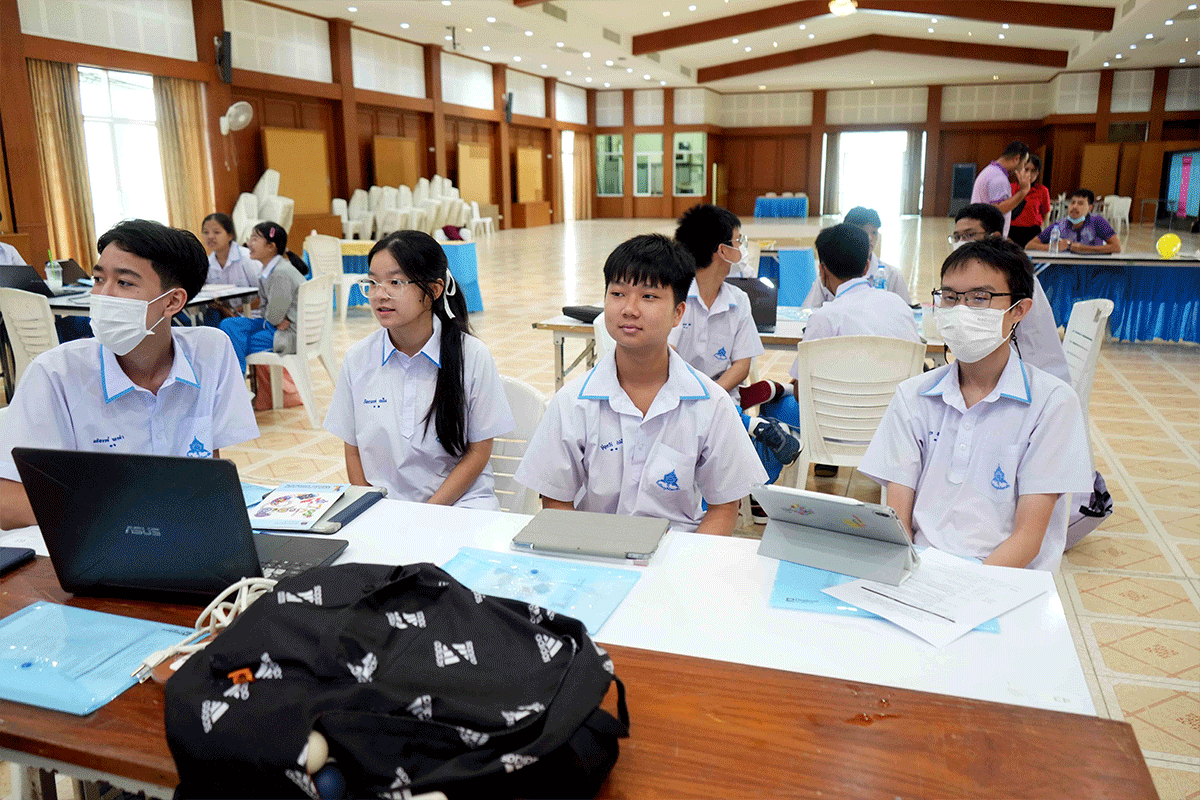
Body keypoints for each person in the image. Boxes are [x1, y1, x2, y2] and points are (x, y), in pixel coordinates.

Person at [0, 219, 259, 530]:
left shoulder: (210, 352)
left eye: (124, 283)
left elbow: (209, 469)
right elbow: (7, 503)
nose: (104, 295)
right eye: (98, 279)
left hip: (185, 535)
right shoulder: (55, 373)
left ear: (172, 301)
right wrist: (123, 512)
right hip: (96, 542)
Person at [859, 240, 1093, 570]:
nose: (961, 311)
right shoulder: (914, 396)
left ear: (1019, 310)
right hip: (922, 570)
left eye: (979, 298)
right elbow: (899, 521)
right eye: (950, 297)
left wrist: (966, 590)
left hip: (1007, 579)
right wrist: (910, 576)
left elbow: (1027, 539)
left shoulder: (1052, 403)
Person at [514, 233, 768, 536]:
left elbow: (724, 507)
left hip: (678, 551)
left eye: (648, 296)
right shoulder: (571, 402)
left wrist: (686, 561)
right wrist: (596, 554)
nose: (629, 309)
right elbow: (555, 500)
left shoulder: (711, 404)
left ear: (678, 313)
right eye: (618, 293)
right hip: (593, 548)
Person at [324, 231, 514, 509]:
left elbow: (478, 452)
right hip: (385, 509)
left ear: (434, 290)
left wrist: (426, 514)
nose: (380, 295)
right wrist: (369, 507)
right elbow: (352, 450)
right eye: (373, 283)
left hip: (460, 506)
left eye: (395, 282)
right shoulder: (358, 359)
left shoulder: (472, 356)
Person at [671, 204, 799, 471]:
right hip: (676, 397)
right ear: (722, 251)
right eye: (738, 241)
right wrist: (696, 397)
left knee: (763, 456)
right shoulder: (674, 296)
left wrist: (711, 395)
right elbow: (665, 360)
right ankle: (752, 427)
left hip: (722, 398)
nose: (742, 247)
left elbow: (742, 365)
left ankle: (751, 431)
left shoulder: (738, 300)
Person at [951, 203, 1070, 385]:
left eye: (969, 235)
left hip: (1031, 378)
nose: (961, 243)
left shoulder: (1011, 279)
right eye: (957, 237)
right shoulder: (977, 277)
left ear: (995, 237)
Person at [219, 221, 307, 374]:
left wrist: (275, 318)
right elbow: (269, 314)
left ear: (271, 247)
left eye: (254, 239)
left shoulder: (280, 274)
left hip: (286, 335)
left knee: (232, 342)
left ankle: (237, 380)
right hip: (274, 326)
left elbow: (273, 317)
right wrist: (275, 318)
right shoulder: (269, 271)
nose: (248, 243)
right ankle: (238, 378)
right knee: (228, 324)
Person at [801, 207, 912, 308]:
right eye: (863, 232)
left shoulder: (892, 275)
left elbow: (908, 312)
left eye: (874, 232)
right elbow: (808, 311)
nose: (870, 238)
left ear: (866, 267)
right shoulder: (829, 272)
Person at [201, 212, 261, 324]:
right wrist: (225, 310)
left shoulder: (247, 258)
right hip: (227, 316)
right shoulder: (207, 263)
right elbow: (209, 298)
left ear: (230, 235)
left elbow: (264, 295)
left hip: (255, 315)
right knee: (210, 316)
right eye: (206, 232)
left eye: (217, 232)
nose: (210, 237)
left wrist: (237, 311)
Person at [1027, 189, 1122, 254]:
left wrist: (1084, 249)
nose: (1074, 207)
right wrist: (1054, 247)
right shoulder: (1060, 225)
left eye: (1080, 203)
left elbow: (1116, 247)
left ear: (1090, 208)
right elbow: (1030, 245)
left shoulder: (1097, 221)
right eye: (1072, 203)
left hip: (1092, 269)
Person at [970, 141, 1031, 238]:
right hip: (988, 236)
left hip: (981, 232)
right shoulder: (999, 178)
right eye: (1023, 164)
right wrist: (1023, 191)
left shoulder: (990, 171)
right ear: (1016, 159)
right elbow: (998, 209)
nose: (1022, 168)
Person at [1007, 155, 1050, 248]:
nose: (1029, 174)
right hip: (1011, 232)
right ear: (1019, 170)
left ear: (1038, 173)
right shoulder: (1010, 188)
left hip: (1033, 233)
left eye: (1033, 171)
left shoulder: (1042, 190)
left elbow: (1045, 214)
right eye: (1026, 169)